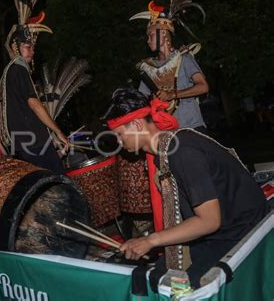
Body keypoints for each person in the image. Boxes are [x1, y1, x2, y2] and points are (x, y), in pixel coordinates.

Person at [104, 89, 270, 287]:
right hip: (223, 230)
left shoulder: (182, 152)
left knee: (173, 285)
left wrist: (150, 241)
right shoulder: (166, 150)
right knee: (157, 272)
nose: (119, 142)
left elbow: (209, 221)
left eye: (120, 135)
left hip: (243, 233)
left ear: (138, 124)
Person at [0, 0, 69, 174]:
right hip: (33, 141)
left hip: (26, 141)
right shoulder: (19, 68)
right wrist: (58, 131)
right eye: (27, 46)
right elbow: (34, 104)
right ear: (15, 47)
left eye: (33, 47)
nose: (32, 51)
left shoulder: (11, 71)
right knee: (58, 181)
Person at [130, 0, 209, 132]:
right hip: (166, 132)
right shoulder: (149, 68)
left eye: (151, 35)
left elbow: (203, 87)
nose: (147, 40)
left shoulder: (183, 58)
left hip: (192, 127)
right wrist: (152, 100)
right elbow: (141, 101)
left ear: (163, 34)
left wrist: (173, 94)